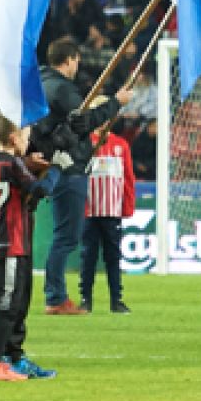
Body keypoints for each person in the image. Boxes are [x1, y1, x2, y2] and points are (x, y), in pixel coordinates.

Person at [0, 113, 53, 381]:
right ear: (12, 137)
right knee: (9, 303)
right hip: (13, 242)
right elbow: (39, 190)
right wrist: (55, 171)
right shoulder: (11, 164)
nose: (27, 141)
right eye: (24, 136)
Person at [39, 37, 106, 316]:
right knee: (66, 237)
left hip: (56, 163)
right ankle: (55, 298)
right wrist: (114, 104)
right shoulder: (62, 88)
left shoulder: (40, 83)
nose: (78, 66)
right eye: (76, 61)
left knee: (64, 236)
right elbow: (84, 122)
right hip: (69, 168)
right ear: (69, 60)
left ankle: (55, 295)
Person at [78, 114, 135, 315]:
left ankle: (116, 300)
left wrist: (127, 207)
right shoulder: (84, 143)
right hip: (89, 210)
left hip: (112, 210)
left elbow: (128, 177)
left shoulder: (121, 145)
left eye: (106, 117)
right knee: (88, 256)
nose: (102, 121)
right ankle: (85, 299)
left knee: (113, 256)